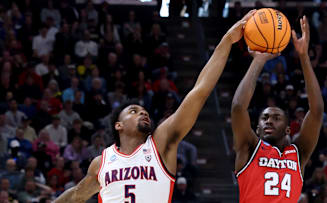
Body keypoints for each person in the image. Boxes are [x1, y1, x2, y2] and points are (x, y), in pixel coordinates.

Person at [54, 10, 257, 203]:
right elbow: (77, 195)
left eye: (144, 111)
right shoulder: (101, 162)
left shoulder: (161, 143)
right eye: (133, 111)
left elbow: (200, 90)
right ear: (118, 125)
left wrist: (227, 40)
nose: (143, 112)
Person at [231, 16, 324, 202]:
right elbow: (238, 108)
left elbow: (317, 111)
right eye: (264, 118)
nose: (269, 121)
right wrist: (258, 60)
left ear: (288, 129)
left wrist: (304, 57)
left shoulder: (298, 154)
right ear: (256, 129)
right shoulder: (249, 148)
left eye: (276, 118)